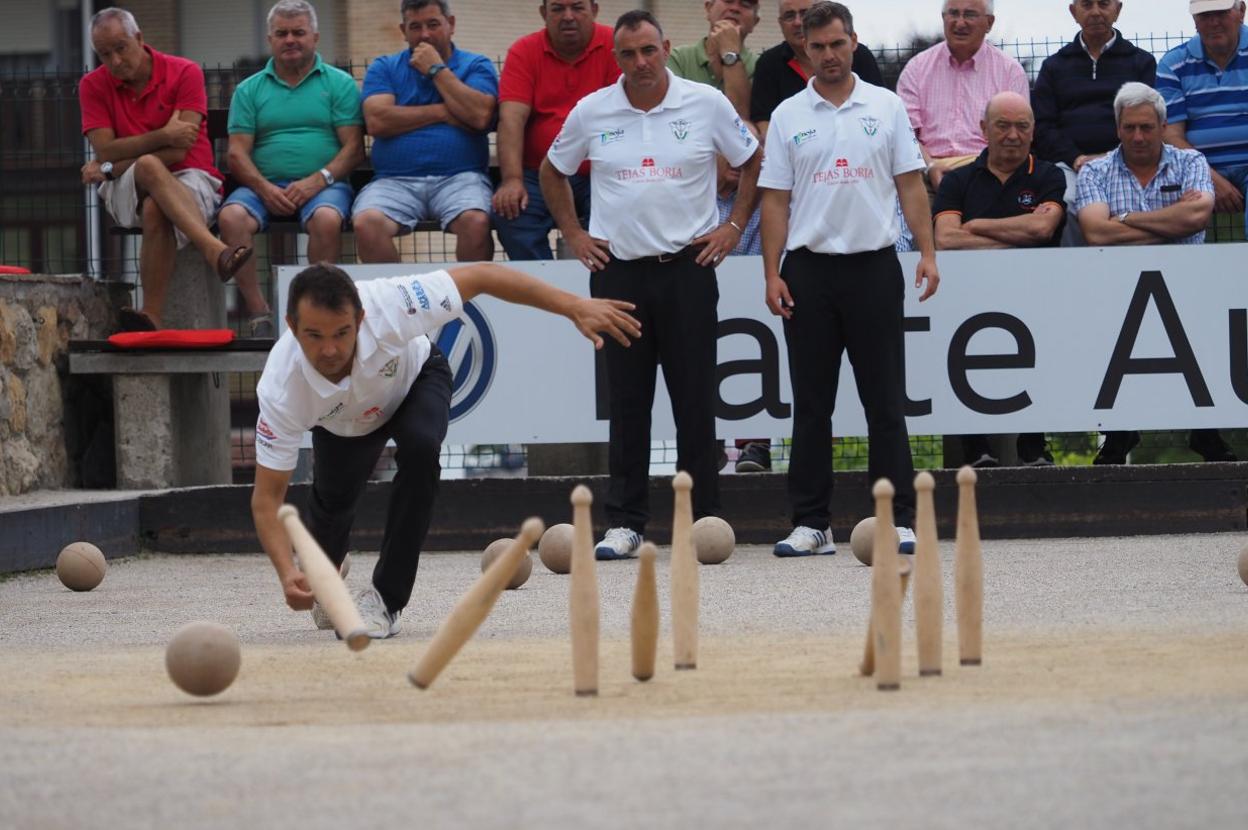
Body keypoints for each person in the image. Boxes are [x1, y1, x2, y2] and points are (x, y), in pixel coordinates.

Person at [250, 262, 640, 637]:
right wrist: (288, 573)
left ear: (363, 319)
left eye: (342, 333)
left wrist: (574, 306)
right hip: (340, 423)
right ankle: (326, 576)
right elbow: (267, 501)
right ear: (292, 327)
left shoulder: (392, 303)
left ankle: (385, 600)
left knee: (421, 450)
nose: (331, 350)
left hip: (414, 380)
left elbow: (484, 275)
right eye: (314, 336)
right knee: (333, 507)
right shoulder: (281, 387)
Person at [540, 10, 763, 559]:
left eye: (648, 51)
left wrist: (734, 226)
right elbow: (551, 170)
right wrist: (573, 232)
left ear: (665, 47)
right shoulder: (593, 110)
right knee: (628, 402)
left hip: (689, 268)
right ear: (615, 58)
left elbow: (754, 160)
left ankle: (703, 519)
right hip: (619, 275)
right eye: (628, 54)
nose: (640, 63)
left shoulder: (704, 103)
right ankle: (625, 522)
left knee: (694, 402)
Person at [758, 2, 939, 557]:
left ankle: (898, 518)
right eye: (818, 47)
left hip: (875, 268)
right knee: (812, 405)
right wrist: (771, 272)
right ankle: (812, 524)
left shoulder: (885, 107)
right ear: (804, 49)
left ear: (853, 42)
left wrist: (928, 253)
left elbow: (911, 185)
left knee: (885, 402)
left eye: (838, 44)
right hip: (808, 272)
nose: (830, 55)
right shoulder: (789, 113)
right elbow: (775, 200)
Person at [1075, 82, 1236, 464]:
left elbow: (1197, 217)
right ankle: (1118, 432)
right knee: (1109, 337)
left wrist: (1127, 220)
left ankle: (1205, 430)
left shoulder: (1192, 162)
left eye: (1147, 127)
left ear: (1164, 127)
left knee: (1203, 334)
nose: (1138, 136)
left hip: (1188, 282)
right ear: (1117, 128)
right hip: (1115, 285)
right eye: (1129, 127)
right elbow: (1096, 231)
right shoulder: (1094, 171)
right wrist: (1170, 224)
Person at [78, 7, 251, 332]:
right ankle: (215, 251)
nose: (114, 61)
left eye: (120, 48)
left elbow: (178, 150)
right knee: (147, 165)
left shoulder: (184, 72)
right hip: (127, 186)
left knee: (156, 205)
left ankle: (151, 316)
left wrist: (111, 166)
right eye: (104, 54)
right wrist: (161, 136)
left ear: (139, 38)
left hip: (191, 177)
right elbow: (105, 149)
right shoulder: (92, 86)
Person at [933, 92, 1066, 467]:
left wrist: (977, 226)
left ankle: (1034, 447)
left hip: (1035, 296)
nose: (1012, 135)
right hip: (968, 298)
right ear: (983, 130)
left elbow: (1043, 228)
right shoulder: (957, 180)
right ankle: (977, 450)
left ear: (1033, 131)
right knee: (963, 362)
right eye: (1003, 125)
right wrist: (1014, 234)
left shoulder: (1048, 175)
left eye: (1022, 126)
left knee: (1040, 362)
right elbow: (945, 238)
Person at [217, 1, 364, 338]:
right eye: (282, 33)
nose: (290, 40)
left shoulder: (339, 84)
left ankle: (315, 313)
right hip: (262, 185)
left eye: (298, 32)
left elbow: (354, 148)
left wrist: (317, 181)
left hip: (325, 185)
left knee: (326, 220)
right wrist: (264, 188)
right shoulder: (249, 89)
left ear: (315, 36)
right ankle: (260, 314)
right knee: (231, 218)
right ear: (270, 39)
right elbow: (237, 155)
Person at [352, 0, 497, 264]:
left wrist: (436, 70)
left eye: (433, 24)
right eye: (415, 26)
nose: (425, 34)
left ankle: (469, 303)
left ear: (450, 25)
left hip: (461, 177)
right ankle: (399, 301)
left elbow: (480, 115)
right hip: (394, 180)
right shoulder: (384, 67)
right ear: (403, 30)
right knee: (366, 224)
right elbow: (377, 121)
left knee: (476, 221)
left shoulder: (476, 65)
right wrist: (444, 112)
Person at [491, 1, 620, 261]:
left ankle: (603, 287)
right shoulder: (523, 51)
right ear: (543, 13)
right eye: (558, 8)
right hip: (539, 174)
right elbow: (511, 119)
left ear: (594, 10)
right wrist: (512, 179)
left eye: (577, 7)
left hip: (601, 172)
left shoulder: (615, 46)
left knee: (619, 215)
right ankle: (546, 291)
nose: (568, 16)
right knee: (510, 214)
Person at [1031, 0, 1156, 245]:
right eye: (1087, 5)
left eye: (1104, 4)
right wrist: (1076, 159)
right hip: (1069, 166)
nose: (1096, 11)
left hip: (1126, 164)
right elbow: (1043, 127)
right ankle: (1075, 276)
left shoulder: (1141, 63)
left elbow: (1147, 122)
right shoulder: (1054, 67)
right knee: (1064, 206)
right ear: (1073, 12)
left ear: (1118, 10)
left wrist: (1111, 158)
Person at [896, 0, 1029, 194]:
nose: (959, 23)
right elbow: (905, 134)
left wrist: (984, 171)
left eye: (969, 15)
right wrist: (931, 167)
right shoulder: (916, 69)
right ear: (943, 18)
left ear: (989, 23)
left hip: (990, 171)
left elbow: (1017, 135)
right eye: (953, 14)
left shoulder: (1010, 72)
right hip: (927, 171)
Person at [1156, 0, 1248, 237]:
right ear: (1195, 21)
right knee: (1172, 214)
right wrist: (1209, 176)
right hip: (1195, 167)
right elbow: (1170, 134)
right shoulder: (1173, 63)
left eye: (1221, 13)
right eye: (1205, 15)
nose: (1213, 22)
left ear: (1242, 12)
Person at [751, 0, 883, 140]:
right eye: (789, 16)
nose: (797, 22)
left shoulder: (858, 55)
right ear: (780, 23)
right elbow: (763, 120)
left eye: (804, 13)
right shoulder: (769, 63)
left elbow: (878, 107)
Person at [667, 0, 761, 119]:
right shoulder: (678, 59)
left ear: (755, 22)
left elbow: (739, 122)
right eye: (728, 1)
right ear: (708, 8)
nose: (735, 8)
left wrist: (730, 53)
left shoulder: (762, 66)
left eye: (745, 4)